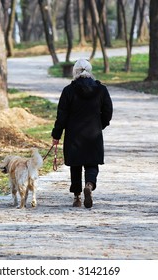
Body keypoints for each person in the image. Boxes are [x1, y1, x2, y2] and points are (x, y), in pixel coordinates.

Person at [51, 58, 113, 208]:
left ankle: (77, 196)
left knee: (76, 165)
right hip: (94, 133)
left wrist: (56, 134)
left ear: (75, 72)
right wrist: (100, 125)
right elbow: (108, 111)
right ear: (90, 71)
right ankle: (90, 185)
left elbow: (62, 115)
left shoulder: (68, 91)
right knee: (92, 164)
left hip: (74, 134)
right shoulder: (101, 90)